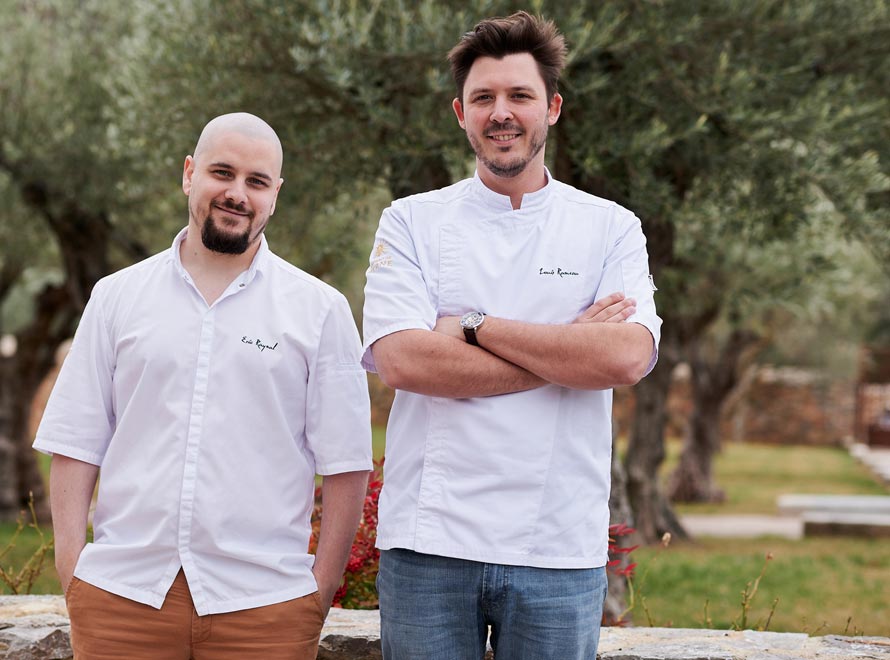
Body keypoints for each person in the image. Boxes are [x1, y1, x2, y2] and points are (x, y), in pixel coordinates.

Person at [362, 12, 661, 660]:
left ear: (551, 107)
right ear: (459, 113)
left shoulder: (609, 228)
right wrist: (567, 352)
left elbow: (628, 354)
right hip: (429, 547)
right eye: (484, 98)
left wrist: (473, 326)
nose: (502, 113)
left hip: (556, 548)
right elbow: (405, 361)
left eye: (520, 95)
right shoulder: (411, 222)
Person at [34, 113, 372, 660]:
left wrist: (319, 589)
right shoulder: (116, 297)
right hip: (121, 599)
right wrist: (74, 573)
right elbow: (75, 441)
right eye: (223, 173)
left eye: (257, 182)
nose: (237, 194)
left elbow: (348, 463)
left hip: (267, 607)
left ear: (275, 195)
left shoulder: (320, 311)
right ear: (190, 173)